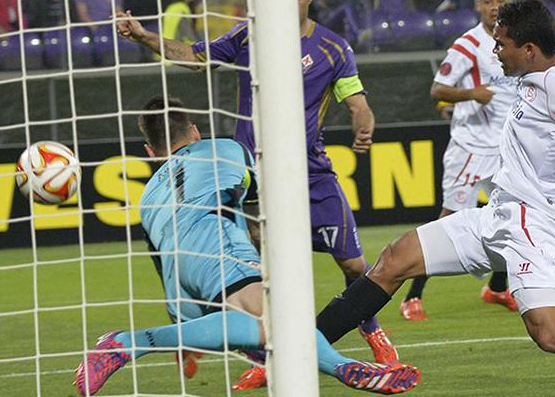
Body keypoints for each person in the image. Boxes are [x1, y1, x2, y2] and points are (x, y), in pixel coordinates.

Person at [314, 0, 555, 397]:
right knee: (394, 259)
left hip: (534, 223)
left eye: (501, 44)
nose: (495, 51)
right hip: (500, 212)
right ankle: (302, 349)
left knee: (552, 334)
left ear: (528, 50)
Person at [115, 0, 400, 389]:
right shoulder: (250, 37)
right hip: (251, 174)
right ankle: (267, 355)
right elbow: (196, 57)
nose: (289, 3)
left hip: (309, 171)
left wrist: (364, 121)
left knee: (354, 263)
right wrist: (144, 36)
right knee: (254, 270)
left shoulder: (333, 48)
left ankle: (371, 328)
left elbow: (356, 99)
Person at [73, 97, 420, 397]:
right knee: (279, 322)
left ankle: (343, 369)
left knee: (267, 329)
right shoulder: (226, 148)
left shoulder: (147, 197)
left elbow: (166, 267)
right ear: (194, 131)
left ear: (151, 152)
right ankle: (125, 343)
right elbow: (262, 202)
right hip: (218, 240)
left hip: (183, 269)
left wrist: (187, 332)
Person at [401, 0, 519, 321]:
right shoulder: (468, 45)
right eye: (488, 0)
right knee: (448, 222)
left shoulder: (513, 41)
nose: (494, 5)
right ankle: (412, 297)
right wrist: (472, 94)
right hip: (470, 147)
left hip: (505, 148)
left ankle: (497, 288)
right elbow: (438, 88)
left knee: (514, 216)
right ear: (478, 7)